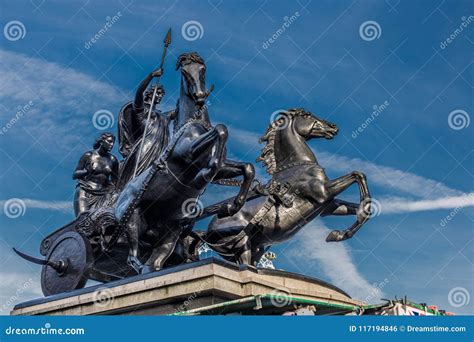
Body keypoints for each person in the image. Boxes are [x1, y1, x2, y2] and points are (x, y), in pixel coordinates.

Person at [116, 68, 174, 190]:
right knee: (138, 178)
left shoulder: (163, 116)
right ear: (150, 93)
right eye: (157, 93)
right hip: (146, 148)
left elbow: (180, 110)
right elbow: (139, 92)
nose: (160, 97)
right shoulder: (141, 110)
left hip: (161, 149)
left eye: (161, 95)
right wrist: (151, 75)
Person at [73, 132, 119, 217]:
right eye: (109, 141)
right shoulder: (88, 155)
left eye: (113, 142)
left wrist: (112, 189)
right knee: (83, 221)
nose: (112, 144)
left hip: (103, 195)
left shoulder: (113, 160)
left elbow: (116, 180)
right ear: (101, 142)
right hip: (85, 192)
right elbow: (75, 175)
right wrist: (86, 171)